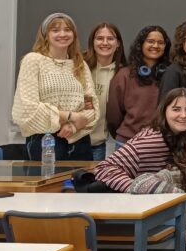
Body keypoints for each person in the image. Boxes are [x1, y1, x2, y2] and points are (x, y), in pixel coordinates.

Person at [12, 13, 98, 161]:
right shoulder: (33, 61)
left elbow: (91, 106)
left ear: (74, 34)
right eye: (55, 30)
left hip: (79, 140)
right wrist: (70, 116)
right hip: (45, 142)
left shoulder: (80, 65)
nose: (62, 34)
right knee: (49, 184)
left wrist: (73, 126)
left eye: (68, 29)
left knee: (83, 184)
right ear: (45, 34)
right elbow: (26, 108)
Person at [94, 88, 186, 192]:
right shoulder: (151, 141)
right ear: (164, 111)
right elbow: (103, 168)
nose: (183, 115)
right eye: (176, 109)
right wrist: (139, 188)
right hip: (140, 206)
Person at [107, 25, 170, 148]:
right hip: (127, 143)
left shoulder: (170, 75)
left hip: (160, 143)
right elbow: (113, 115)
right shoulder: (124, 74)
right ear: (140, 44)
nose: (155, 46)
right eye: (150, 41)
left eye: (160, 43)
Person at [84, 22, 127, 161]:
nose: (105, 42)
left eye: (110, 38)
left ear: (118, 43)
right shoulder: (79, 66)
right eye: (100, 38)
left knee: (93, 182)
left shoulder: (123, 73)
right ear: (92, 42)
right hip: (72, 140)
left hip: (98, 143)